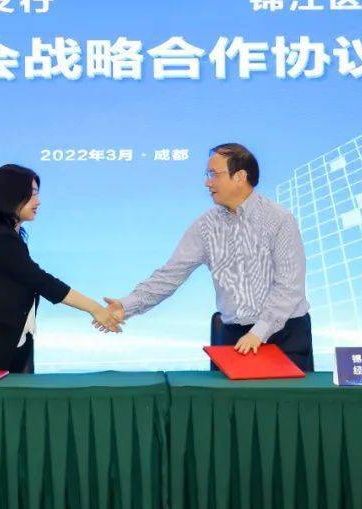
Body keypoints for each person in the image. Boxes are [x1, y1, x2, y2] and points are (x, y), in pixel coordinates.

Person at [103, 143, 313, 371]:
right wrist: (126, 306)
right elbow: (170, 275)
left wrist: (259, 332)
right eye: (207, 175)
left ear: (240, 177)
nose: (207, 182)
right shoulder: (205, 226)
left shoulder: (279, 219)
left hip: (284, 335)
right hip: (233, 339)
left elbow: (289, 285)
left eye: (214, 174)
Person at [0, 164, 123, 372]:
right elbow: (42, 281)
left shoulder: (8, 236)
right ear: (10, 196)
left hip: (7, 344)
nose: (37, 201)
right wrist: (95, 308)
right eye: (31, 194)